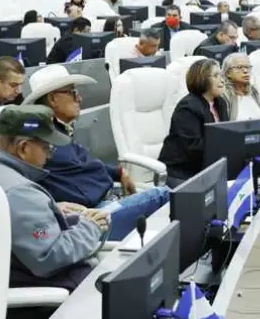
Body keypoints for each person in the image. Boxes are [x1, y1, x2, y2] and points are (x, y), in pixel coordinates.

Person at [24, 65, 169, 241]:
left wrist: (119, 172)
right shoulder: (42, 143)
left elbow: (86, 164)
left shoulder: (60, 132)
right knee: (166, 195)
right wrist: (53, 205)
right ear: (53, 99)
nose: (79, 98)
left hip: (108, 200)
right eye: (72, 93)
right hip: (95, 216)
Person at [0, 105, 109, 293]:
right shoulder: (20, 192)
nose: (49, 156)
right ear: (24, 148)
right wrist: (91, 227)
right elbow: (48, 258)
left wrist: (53, 211)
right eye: (47, 148)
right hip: (55, 295)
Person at [158, 59, 229, 186]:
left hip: (209, 168)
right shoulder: (188, 107)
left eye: (221, 75)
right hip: (182, 171)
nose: (222, 80)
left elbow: (225, 134)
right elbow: (193, 148)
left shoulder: (220, 103)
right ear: (202, 79)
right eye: (216, 75)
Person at [221, 52, 260, 121]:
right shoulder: (224, 95)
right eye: (239, 67)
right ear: (228, 72)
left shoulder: (254, 91)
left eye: (248, 67)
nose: (245, 71)